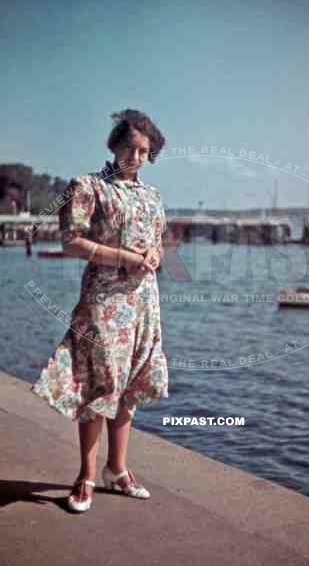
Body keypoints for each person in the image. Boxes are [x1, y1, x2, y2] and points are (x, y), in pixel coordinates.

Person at [31, 109, 169, 513]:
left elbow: (158, 241)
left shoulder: (152, 195)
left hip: (143, 299)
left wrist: (155, 256)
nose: (137, 157)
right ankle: (85, 476)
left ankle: (117, 469)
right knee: (100, 382)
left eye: (144, 150)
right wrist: (123, 257)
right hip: (105, 301)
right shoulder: (89, 186)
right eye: (130, 147)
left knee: (129, 384)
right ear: (113, 144)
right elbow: (71, 242)